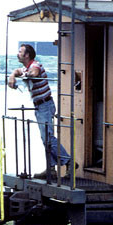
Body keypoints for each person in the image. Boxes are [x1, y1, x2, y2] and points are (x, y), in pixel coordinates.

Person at [7, 44, 71, 180]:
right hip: (40, 106)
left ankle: (69, 162)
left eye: (20, 52)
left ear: (27, 55)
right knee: (45, 139)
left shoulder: (36, 65)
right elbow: (19, 71)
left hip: (45, 105)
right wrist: (12, 75)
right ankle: (51, 169)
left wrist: (24, 74)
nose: (18, 54)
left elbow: (34, 73)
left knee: (48, 137)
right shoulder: (26, 67)